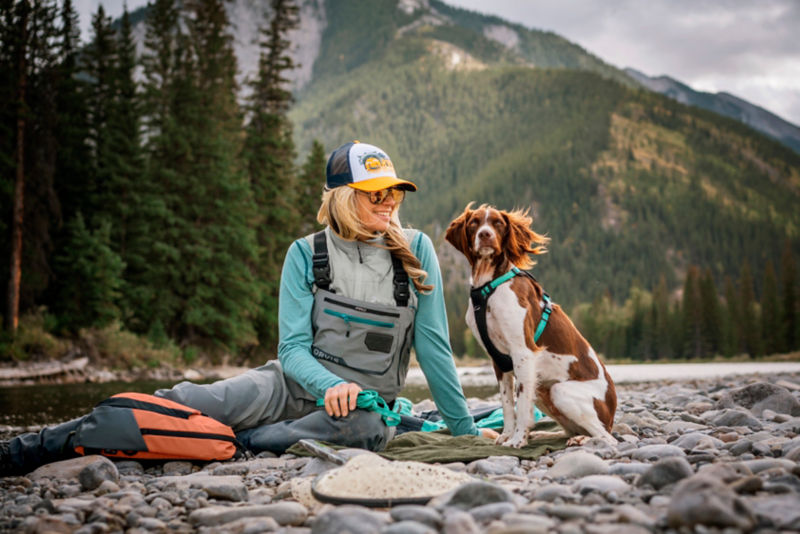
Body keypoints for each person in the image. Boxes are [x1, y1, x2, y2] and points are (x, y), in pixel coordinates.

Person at [0, 141, 497, 477]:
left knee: (367, 431)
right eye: (376, 195)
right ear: (345, 198)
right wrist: (331, 385)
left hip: (360, 411)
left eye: (394, 192)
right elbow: (293, 350)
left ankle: (245, 442)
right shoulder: (305, 253)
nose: (390, 202)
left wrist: (466, 435)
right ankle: (28, 448)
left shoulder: (417, 249)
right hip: (285, 387)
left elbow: (434, 352)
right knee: (183, 401)